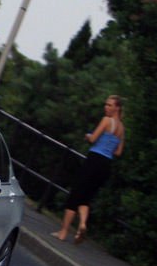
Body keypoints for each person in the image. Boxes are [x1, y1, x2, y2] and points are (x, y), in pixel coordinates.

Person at [53, 95, 126, 243]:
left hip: (94, 160)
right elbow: (118, 152)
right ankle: (82, 224)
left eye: (110, 105)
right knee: (86, 198)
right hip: (106, 165)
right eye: (106, 104)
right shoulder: (122, 128)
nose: (106, 107)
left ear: (117, 108)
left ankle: (63, 232)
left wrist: (88, 136)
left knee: (75, 194)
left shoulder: (106, 120)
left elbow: (93, 139)